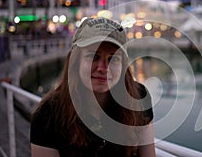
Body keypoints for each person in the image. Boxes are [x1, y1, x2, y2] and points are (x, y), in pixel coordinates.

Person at [30, 17, 155, 157]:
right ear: (75, 61)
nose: (104, 68)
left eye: (113, 59)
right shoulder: (48, 115)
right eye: (94, 56)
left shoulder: (139, 97)